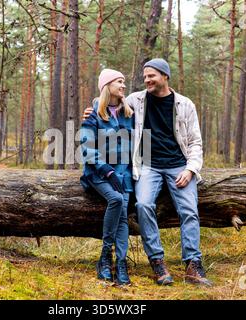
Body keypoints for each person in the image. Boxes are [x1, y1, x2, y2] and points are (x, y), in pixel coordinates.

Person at [82, 58, 211, 286]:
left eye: (152, 75)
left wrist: (190, 170)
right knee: (142, 205)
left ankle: (193, 264)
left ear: (165, 76)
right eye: (145, 77)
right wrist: (91, 110)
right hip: (147, 165)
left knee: (189, 210)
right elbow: (108, 99)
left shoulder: (185, 104)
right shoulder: (136, 101)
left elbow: (196, 143)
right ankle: (157, 262)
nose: (147, 80)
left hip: (179, 165)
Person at [80, 69, 134, 286]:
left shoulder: (128, 114)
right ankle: (104, 257)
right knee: (117, 200)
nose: (123, 86)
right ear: (107, 86)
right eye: (119, 82)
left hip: (124, 175)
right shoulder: (93, 114)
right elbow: (86, 146)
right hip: (99, 173)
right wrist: (107, 171)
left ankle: (120, 263)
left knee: (122, 217)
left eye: (124, 82)